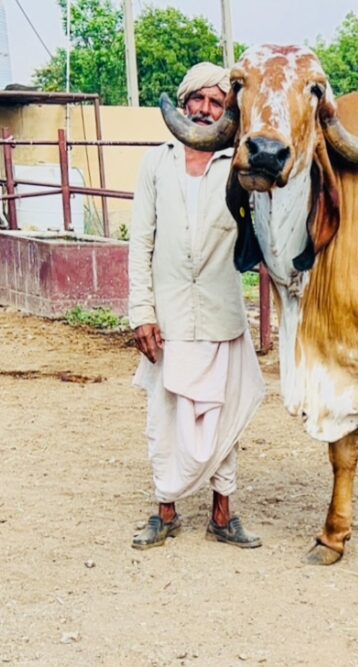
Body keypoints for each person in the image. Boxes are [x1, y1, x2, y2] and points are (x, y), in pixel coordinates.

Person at [128, 62, 266, 550]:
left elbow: (262, 228)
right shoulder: (156, 164)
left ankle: (222, 516)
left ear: (227, 111)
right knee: (164, 416)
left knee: (221, 415)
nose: (206, 110)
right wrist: (141, 312)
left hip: (220, 311)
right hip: (167, 316)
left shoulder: (239, 165)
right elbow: (140, 241)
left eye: (217, 102)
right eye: (199, 100)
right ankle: (164, 512)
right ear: (184, 102)